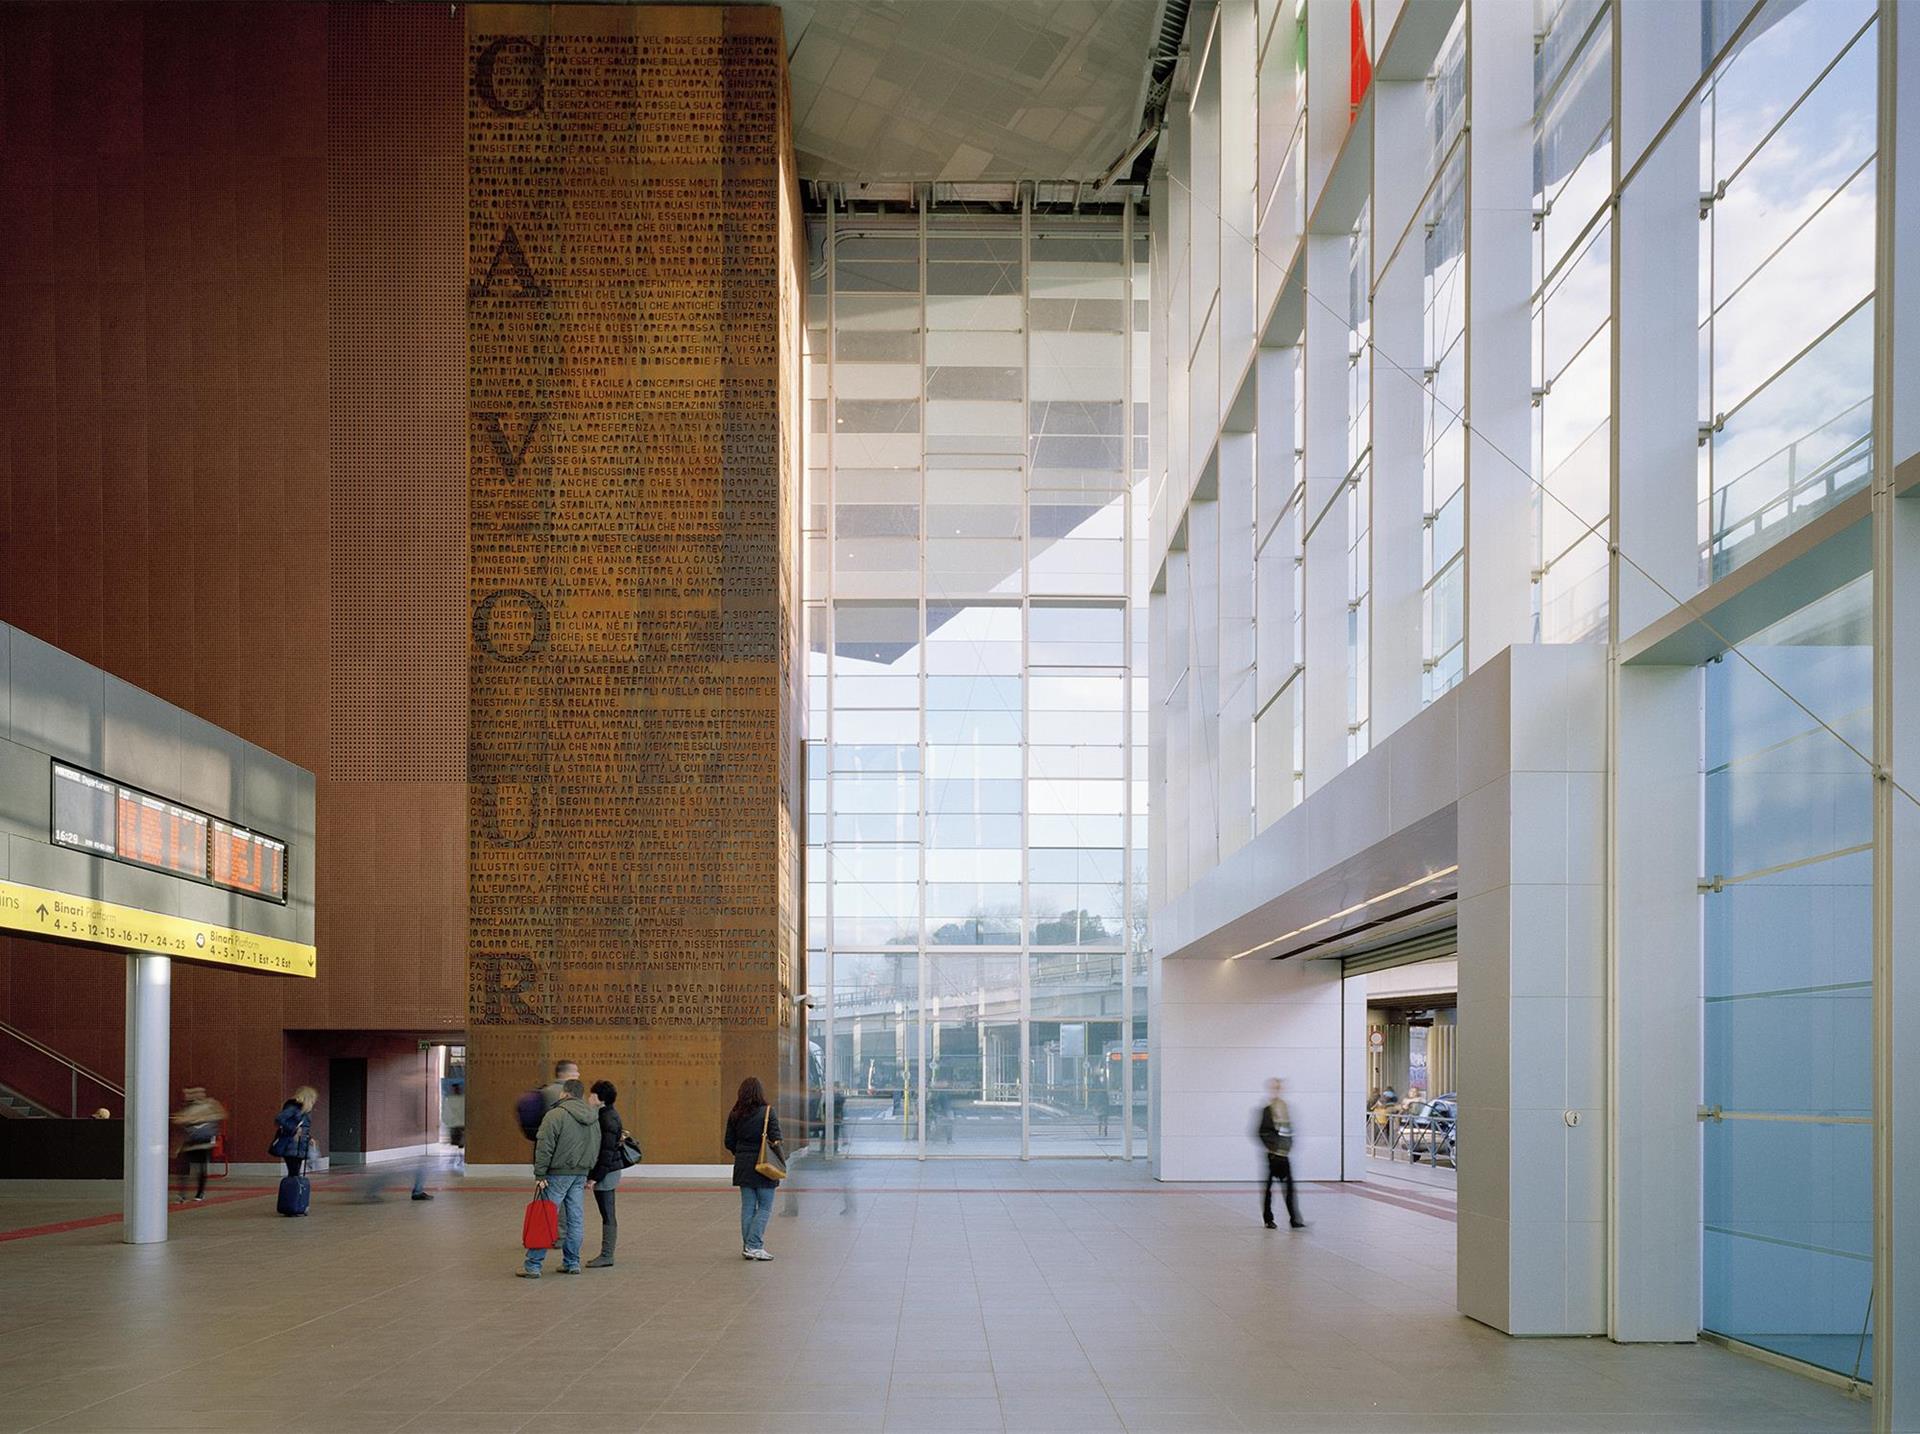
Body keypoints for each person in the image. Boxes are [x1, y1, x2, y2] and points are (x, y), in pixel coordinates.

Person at [519, 1077, 596, 1278]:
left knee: (545, 1217)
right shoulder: (592, 1116)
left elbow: (544, 1145)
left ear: (565, 1093)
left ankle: (533, 1265)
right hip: (580, 1173)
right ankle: (572, 1263)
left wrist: (540, 1172)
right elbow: (595, 1145)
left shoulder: (555, 1115)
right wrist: (589, 1170)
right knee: (575, 1219)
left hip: (557, 1174)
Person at [723, 1075, 784, 1261]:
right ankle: (754, 1245)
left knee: (748, 1207)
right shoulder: (767, 1112)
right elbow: (776, 1139)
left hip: (742, 1165)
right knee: (765, 1206)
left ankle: (748, 1246)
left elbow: (728, 1142)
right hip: (764, 1165)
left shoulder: (735, 1113)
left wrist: (740, 1153)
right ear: (760, 1093)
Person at [583, 1079, 625, 1269]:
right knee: (607, 1212)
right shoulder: (607, 1115)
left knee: (607, 1213)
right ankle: (607, 1254)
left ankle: (607, 1255)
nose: (588, 1098)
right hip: (607, 1171)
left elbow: (605, 1152)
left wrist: (594, 1177)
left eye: (591, 1095)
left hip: (606, 1172)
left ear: (600, 1099)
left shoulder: (606, 1118)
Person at [1256, 1076, 1305, 1230]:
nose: (1278, 1090)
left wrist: (1289, 1145)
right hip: (1272, 1155)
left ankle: (1294, 1219)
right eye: (1275, 1087)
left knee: (1289, 1188)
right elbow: (1261, 1131)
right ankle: (1268, 1219)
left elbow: (1289, 1130)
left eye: (1279, 1087)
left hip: (1284, 1155)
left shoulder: (1285, 1108)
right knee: (1269, 1189)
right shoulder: (1267, 1110)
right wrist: (1272, 1146)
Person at [171, 1087, 226, 1203]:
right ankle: (182, 1194)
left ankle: (199, 1193)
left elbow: (220, 1115)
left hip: (203, 1143)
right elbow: (178, 1121)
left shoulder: (209, 1104)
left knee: (200, 1168)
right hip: (189, 1142)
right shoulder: (186, 1107)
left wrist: (195, 1119)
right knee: (184, 1168)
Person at [271, 1087, 316, 1182]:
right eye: (312, 1100)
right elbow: (279, 1119)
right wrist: (294, 1130)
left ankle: (293, 1193)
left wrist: (309, 1138)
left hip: (298, 1147)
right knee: (294, 1172)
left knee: (295, 1172)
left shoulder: (304, 1113)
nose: (313, 1103)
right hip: (291, 1145)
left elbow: (304, 1128)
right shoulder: (293, 1109)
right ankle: (292, 1193)